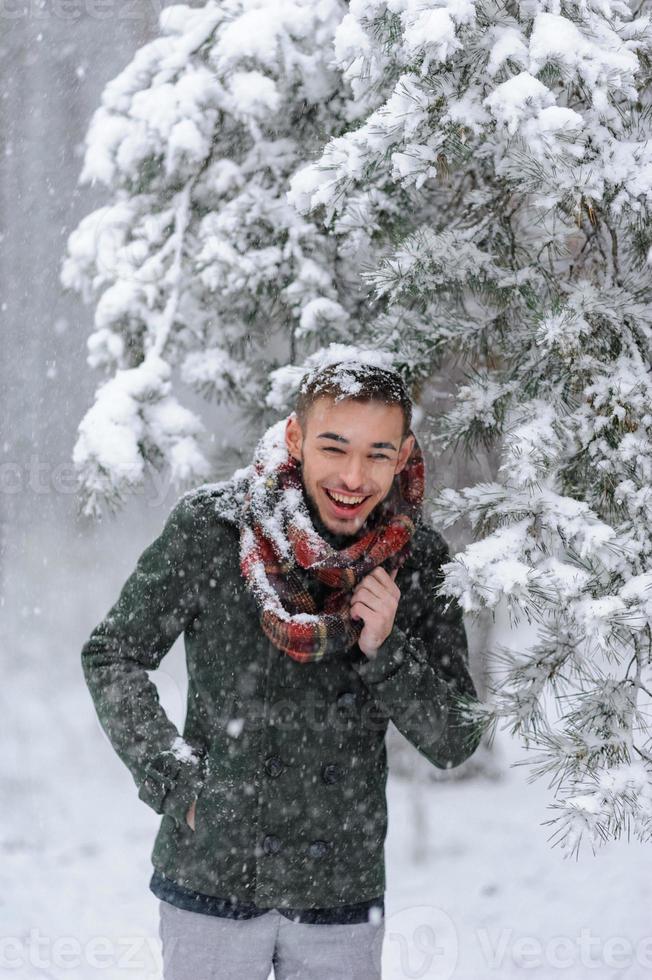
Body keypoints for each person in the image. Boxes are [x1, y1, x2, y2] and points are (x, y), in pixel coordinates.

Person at [81, 359, 484, 980]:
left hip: (339, 896)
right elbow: (112, 652)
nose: (354, 476)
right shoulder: (214, 529)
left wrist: (387, 646)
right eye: (334, 446)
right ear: (296, 438)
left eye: (378, 454)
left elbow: (456, 739)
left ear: (404, 455)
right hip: (214, 875)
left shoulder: (418, 558)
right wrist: (177, 782)